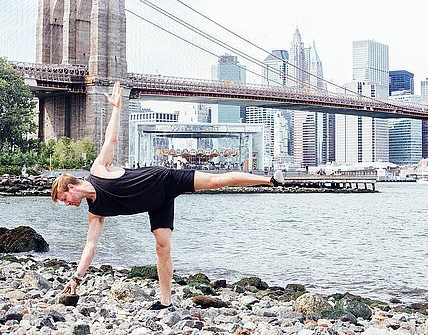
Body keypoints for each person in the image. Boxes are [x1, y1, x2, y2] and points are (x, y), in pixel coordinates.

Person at [51, 82, 285, 310]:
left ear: (71, 187)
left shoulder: (98, 170)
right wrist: (76, 279)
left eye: (63, 198)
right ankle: (165, 302)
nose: (66, 203)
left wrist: (116, 107)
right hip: (157, 203)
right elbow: (90, 246)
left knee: (216, 180)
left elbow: (111, 139)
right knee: (162, 248)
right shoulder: (95, 212)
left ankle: (270, 180)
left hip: (164, 179)